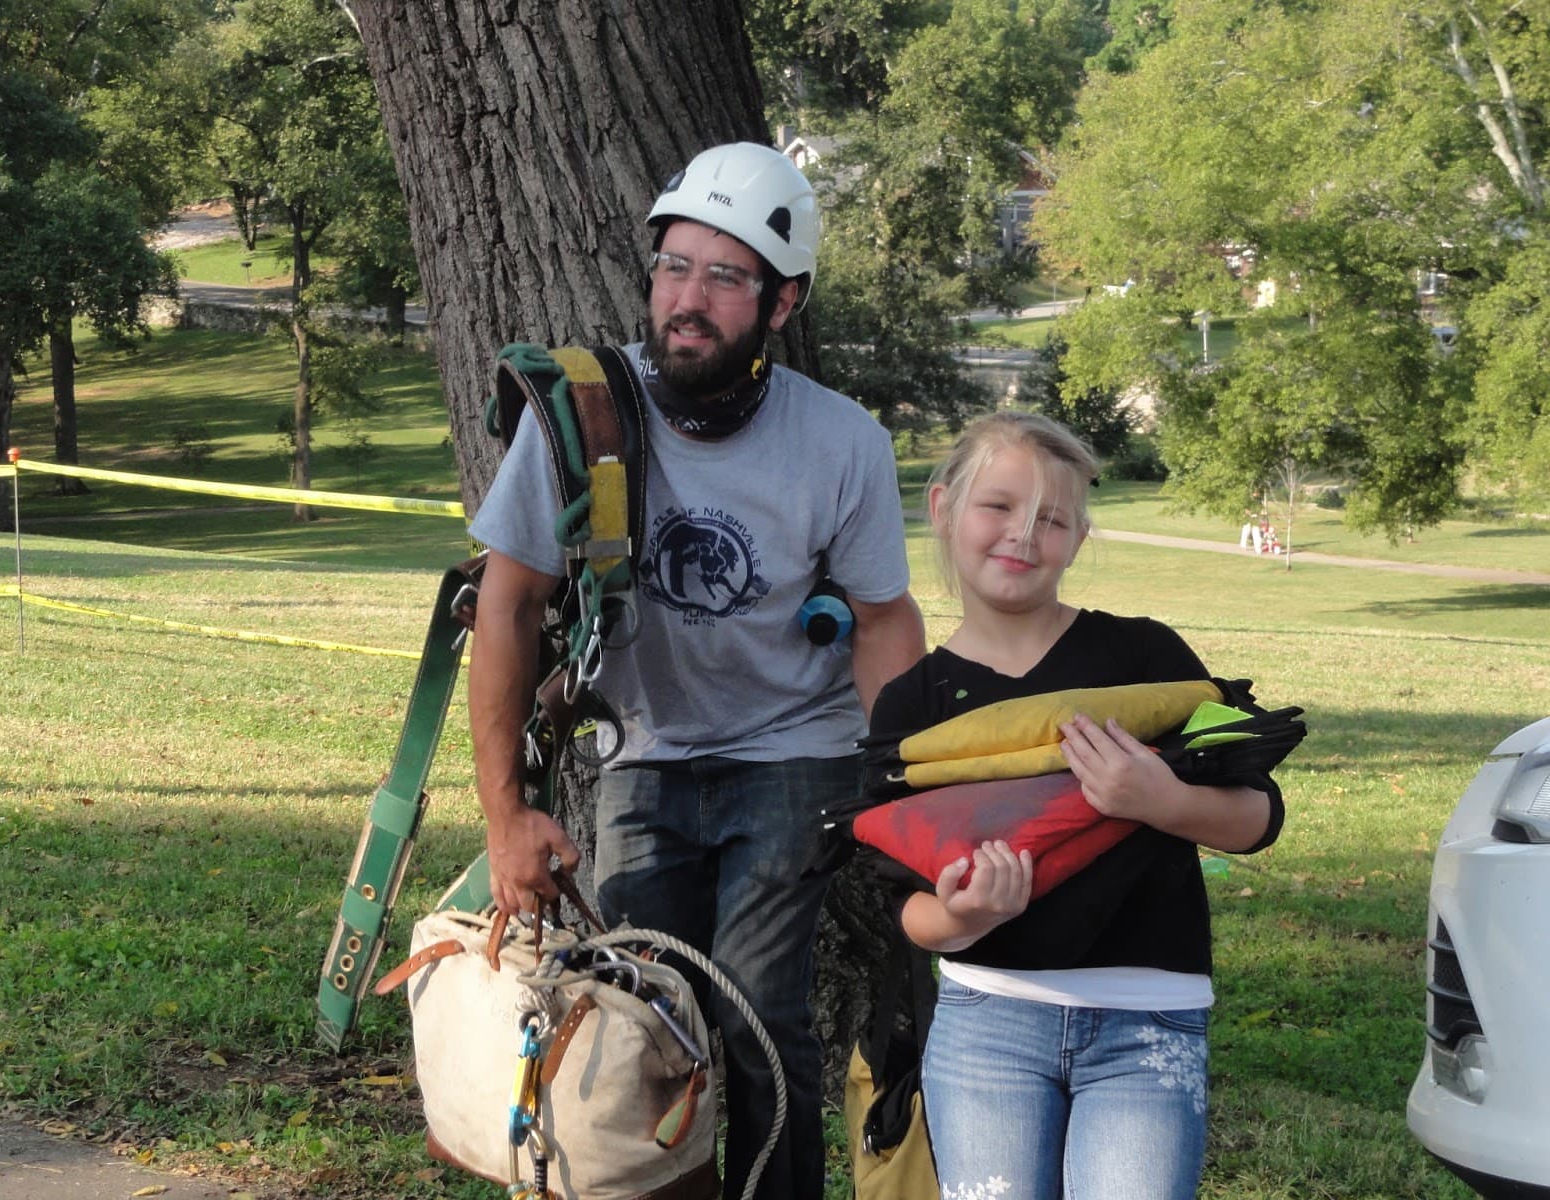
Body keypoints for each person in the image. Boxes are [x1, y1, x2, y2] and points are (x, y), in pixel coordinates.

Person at [466, 141, 926, 1200]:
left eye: (725, 277)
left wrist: (902, 786)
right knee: (638, 1013)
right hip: (646, 752)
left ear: (781, 301)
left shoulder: (841, 443)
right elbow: (510, 601)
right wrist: (503, 813)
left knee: (758, 1013)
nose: (689, 298)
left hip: (794, 754)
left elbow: (882, 621)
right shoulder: (584, 417)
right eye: (674, 267)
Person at [866, 411, 1284, 1200]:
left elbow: (1259, 813)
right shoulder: (911, 706)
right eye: (1000, 507)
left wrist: (1160, 800)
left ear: (1079, 540)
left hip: (1149, 1023)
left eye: (1051, 520)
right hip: (987, 1025)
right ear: (944, 507)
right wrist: (964, 918)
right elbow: (905, 908)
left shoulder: (1147, 657)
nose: (1023, 536)